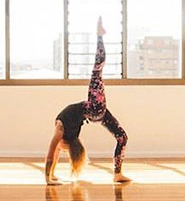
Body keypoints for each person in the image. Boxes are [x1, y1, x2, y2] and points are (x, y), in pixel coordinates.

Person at [45, 17, 130, 185]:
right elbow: (52, 151)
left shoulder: (62, 129)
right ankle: (99, 35)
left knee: (122, 137)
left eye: (63, 149)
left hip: (96, 111)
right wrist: (48, 178)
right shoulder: (63, 130)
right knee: (97, 70)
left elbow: (52, 151)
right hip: (94, 109)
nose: (61, 150)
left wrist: (50, 176)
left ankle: (118, 175)